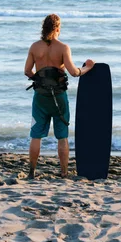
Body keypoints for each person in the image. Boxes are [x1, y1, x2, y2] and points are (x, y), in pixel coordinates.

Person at [24, 14, 94, 178]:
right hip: (59, 97)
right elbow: (74, 72)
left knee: (36, 135)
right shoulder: (63, 48)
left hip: (40, 98)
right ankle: (63, 173)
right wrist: (88, 68)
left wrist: (41, 81)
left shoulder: (34, 47)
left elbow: (27, 71)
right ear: (57, 28)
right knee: (62, 136)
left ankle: (32, 172)